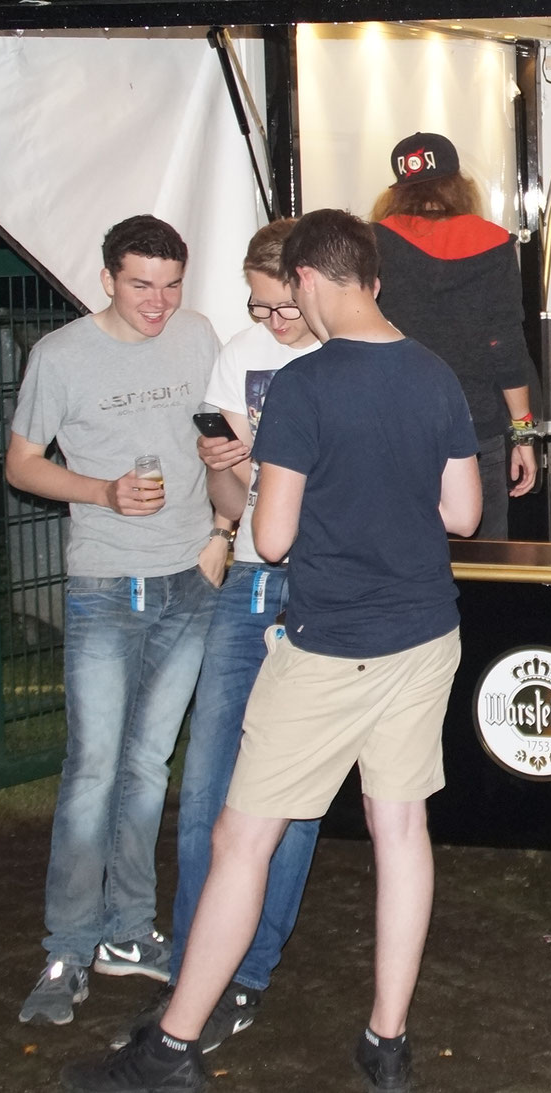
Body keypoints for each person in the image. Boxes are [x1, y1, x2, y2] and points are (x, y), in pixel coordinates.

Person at [63, 209, 482, 1093]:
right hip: (425, 635)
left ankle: (171, 1049)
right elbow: (463, 513)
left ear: (308, 280)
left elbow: (275, 535)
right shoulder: (434, 372)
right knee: (401, 829)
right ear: (369, 276)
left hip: (330, 645)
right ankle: (387, 1040)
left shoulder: (302, 385)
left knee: (241, 836)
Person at [109, 220, 323, 1054]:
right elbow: (234, 506)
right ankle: (198, 967)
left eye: (283, 306)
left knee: (292, 793)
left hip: (325, 584)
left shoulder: (347, 353)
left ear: (312, 284)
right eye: (257, 307)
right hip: (252, 576)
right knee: (206, 785)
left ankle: (248, 971)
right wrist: (224, 462)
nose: (272, 322)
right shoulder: (240, 354)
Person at [8, 215, 225, 1026]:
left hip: (190, 579)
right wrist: (101, 490)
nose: (158, 302)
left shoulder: (197, 336)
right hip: (107, 580)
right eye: (141, 285)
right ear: (107, 279)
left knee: (147, 764)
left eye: (171, 285)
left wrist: (221, 529)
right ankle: (68, 943)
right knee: (94, 766)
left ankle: (128, 930)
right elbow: (22, 463)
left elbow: (218, 443)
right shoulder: (61, 355)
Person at [372, 130, 540, 535]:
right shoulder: (494, 243)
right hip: (476, 429)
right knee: (482, 558)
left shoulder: (373, 242)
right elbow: (505, 346)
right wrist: (523, 435)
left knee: (401, 550)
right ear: (458, 185)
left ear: (398, 190)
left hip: (395, 430)